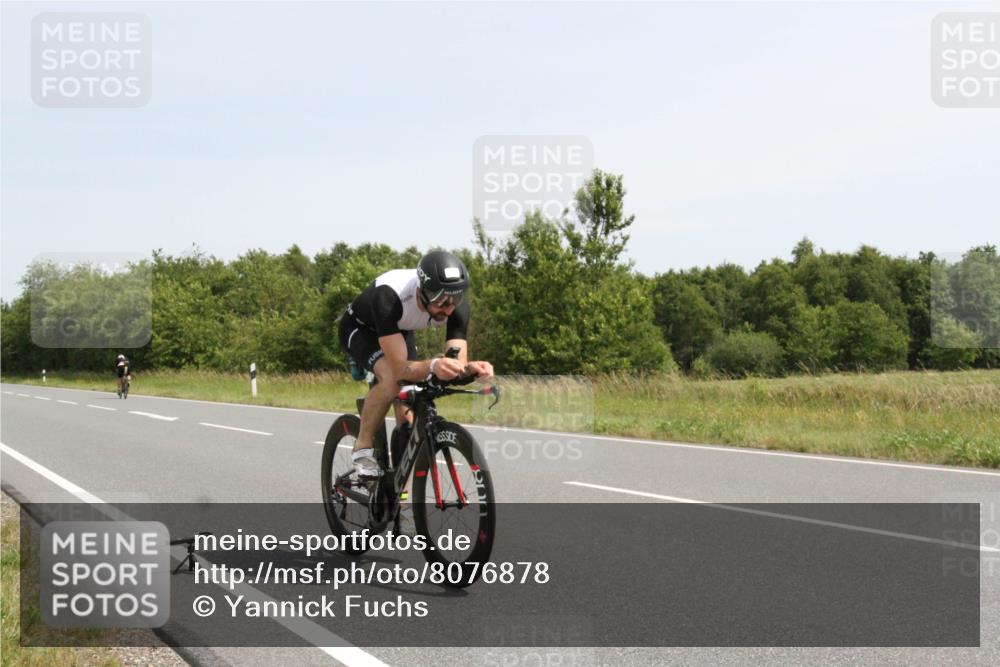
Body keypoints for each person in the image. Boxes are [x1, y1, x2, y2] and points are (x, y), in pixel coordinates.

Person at [338, 250, 494, 477]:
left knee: (409, 415)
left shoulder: (455, 304)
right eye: (441, 300)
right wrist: (433, 365)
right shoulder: (389, 296)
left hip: (399, 331)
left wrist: (469, 369)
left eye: (455, 299)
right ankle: (362, 447)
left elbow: (455, 365)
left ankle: (399, 491)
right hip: (361, 329)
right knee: (392, 380)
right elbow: (401, 369)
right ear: (422, 291)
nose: (448, 308)